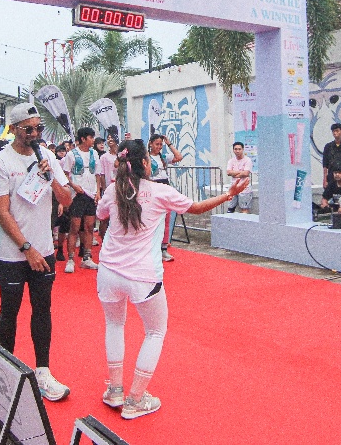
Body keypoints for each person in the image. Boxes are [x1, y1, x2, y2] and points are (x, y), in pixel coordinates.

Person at [95, 139, 249, 419]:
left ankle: (115, 389)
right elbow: (196, 207)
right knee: (155, 332)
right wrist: (229, 195)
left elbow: (101, 214)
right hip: (143, 275)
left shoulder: (112, 190)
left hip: (108, 272)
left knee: (114, 325)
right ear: (146, 163)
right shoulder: (159, 191)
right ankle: (135, 399)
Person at [0, 103, 73, 401]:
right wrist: (27, 248)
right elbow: (1, 211)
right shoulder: (0, 162)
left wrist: (50, 178)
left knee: (42, 309)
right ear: (13, 129)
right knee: (9, 310)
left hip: (44, 249)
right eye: (28, 129)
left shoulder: (47, 156)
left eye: (39, 128)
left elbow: (66, 199)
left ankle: (43, 371)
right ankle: (5, 368)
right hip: (12, 253)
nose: (35, 134)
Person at [62, 127, 101, 274]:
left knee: (90, 227)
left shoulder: (94, 153)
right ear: (83, 139)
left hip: (91, 195)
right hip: (78, 195)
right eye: (91, 137)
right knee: (75, 227)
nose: (93, 140)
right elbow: (65, 174)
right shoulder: (71, 155)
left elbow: (97, 174)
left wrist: (98, 192)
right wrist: (74, 186)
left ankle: (87, 258)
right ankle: (71, 259)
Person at [147, 134, 183, 262]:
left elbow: (179, 157)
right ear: (150, 144)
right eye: (156, 144)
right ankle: (151, 248)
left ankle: (163, 248)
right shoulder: (146, 157)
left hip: (164, 187)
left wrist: (169, 144)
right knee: (153, 220)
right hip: (152, 188)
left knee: (166, 220)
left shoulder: (163, 157)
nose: (159, 147)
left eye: (160, 144)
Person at [97, 136, 119, 241]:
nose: (110, 140)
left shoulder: (122, 155)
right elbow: (101, 174)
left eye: (112, 138)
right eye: (108, 138)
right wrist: (104, 188)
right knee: (105, 217)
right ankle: (103, 241)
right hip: (109, 188)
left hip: (120, 189)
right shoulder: (104, 157)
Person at [226, 142, 253, 214]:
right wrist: (241, 173)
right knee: (230, 208)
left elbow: (246, 173)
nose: (237, 151)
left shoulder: (247, 160)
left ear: (243, 149)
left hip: (244, 188)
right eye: (235, 149)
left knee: (244, 209)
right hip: (233, 187)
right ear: (233, 150)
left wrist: (234, 174)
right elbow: (228, 172)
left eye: (239, 149)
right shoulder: (231, 161)